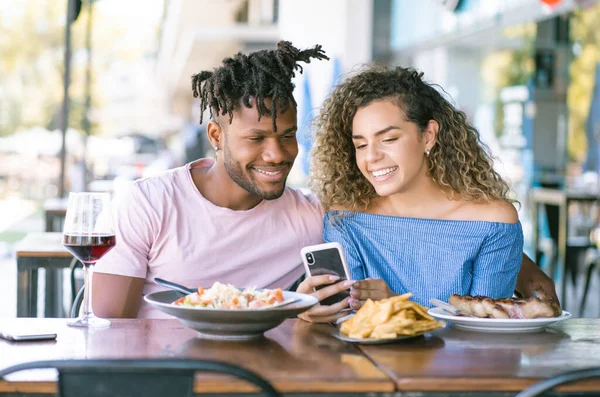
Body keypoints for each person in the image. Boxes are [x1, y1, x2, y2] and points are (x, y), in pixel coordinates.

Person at [93, 42, 557, 322]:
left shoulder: (314, 212)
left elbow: (448, 233)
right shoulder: (149, 201)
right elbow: (108, 323)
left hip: (271, 375)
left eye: (288, 135)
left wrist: (521, 263)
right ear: (216, 134)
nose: (276, 154)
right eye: (256, 138)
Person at [307, 65, 551, 312]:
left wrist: (401, 307)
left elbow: (484, 332)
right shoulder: (345, 220)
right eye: (360, 145)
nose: (371, 157)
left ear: (428, 135)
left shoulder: (493, 222)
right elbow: (347, 320)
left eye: (389, 139)